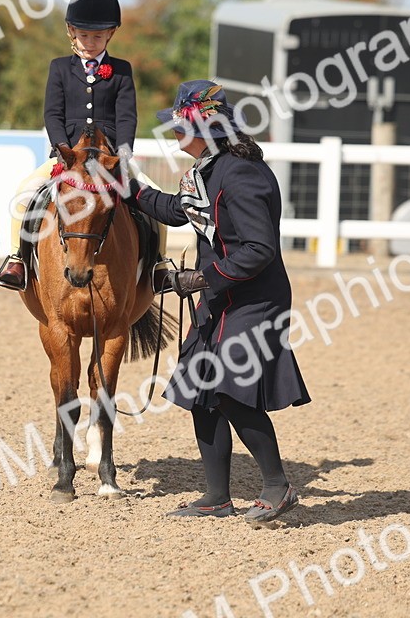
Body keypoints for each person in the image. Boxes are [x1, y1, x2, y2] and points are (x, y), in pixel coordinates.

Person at [124, 79, 310, 524]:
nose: (173, 133)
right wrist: (130, 189)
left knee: (228, 390)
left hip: (252, 298)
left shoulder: (240, 173)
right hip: (223, 296)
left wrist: (197, 278)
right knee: (200, 390)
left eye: (178, 125)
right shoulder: (209, 167)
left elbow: (258, 249)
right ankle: (216, 497)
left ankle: (277, 486)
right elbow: (178, 211)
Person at [0, 0, 166, 291]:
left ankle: (159, 267)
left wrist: (122, 156)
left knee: (153, 197)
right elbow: (52, 114)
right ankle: (17, 259)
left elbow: (127, 116)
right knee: (25, 193)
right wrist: (63, 150)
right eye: (84, 35)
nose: (90, 42)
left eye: (97, 36)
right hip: (69, 157)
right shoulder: (59, 68)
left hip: (109, 157)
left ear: (110, 34)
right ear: (72, 31)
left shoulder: (122, 70)